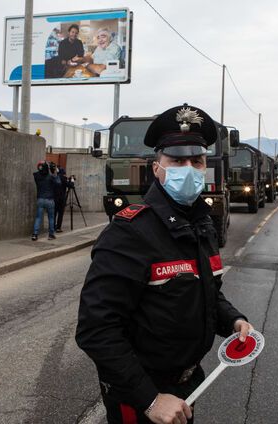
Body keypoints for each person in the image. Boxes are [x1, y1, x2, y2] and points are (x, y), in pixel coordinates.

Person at [76, 105, 253, 424]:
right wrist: (149, 399)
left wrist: (233, 321)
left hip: (187, 386)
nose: (188, 168)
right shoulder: (130, 232)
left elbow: (207, 291)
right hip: (143, 397)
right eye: (176, 160)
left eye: (196, 160)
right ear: (156, 168)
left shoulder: (202, 226)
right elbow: (96, 328)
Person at [32, 161, 60, 241]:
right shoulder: (51, 177)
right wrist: (55, 172)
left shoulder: (36, 176)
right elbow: (58, 183)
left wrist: (44, 166)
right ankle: (51, 235)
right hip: (50, 200)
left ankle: (35, 234)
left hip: (40, 199)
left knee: (38, 218)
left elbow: (39, 171)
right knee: (51, 218)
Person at [54, 167, 73, 233]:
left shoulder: (55, 177)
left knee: (54, 213)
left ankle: (53, 226)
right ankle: (58, 228)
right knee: (60, 214)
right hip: (61, 199)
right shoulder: (64, 178)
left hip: (55, 199)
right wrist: (72, 181)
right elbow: (71, 186)